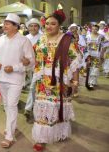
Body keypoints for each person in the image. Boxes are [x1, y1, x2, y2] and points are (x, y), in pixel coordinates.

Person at [31, 10, 81, 152]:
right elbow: (34, 57)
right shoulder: (40, 40)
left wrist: (75, 82)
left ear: (59, 25)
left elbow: (75, 62)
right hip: (42, 82)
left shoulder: (66, 40)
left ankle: (60, 133)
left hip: (60, 82)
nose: (49, 26)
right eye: (47, 23)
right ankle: (41, 138)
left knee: (59, 108)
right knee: (43, 109)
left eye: (53, 24)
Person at [0, 13, 35, 148]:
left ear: (16, 26)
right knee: (6, 105)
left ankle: (9, 136)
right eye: (4, 23)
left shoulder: (24, 40)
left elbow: (31, 62)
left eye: (8, 24)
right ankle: (11, 127)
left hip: (15, 79)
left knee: (11, 105)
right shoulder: (1, 39)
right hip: (1, 78)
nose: (5, 26)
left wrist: (15, 68)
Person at [24, 18, 42, 119]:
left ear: (38, 27)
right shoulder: (25, 38)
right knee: (29, 86)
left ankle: (28, 107)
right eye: (31, 26)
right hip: (26, 66)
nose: (33, 28)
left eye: (35, 25)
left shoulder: (43, 37)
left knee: (33, 86)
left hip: (38, 66)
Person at [85, 24, 105, 89]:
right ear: (91, 29)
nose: (94, 30)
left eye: (96, 29)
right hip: (89, 55)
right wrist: (88, 44)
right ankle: (92, 81)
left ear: (98, 30)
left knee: (95, 68)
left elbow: (104, 45)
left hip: (97, 55)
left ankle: (91, 82)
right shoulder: (88, 36)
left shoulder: (101, 36)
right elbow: (85, 45)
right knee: (90, 68)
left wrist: (102, 54)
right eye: (93, 29)